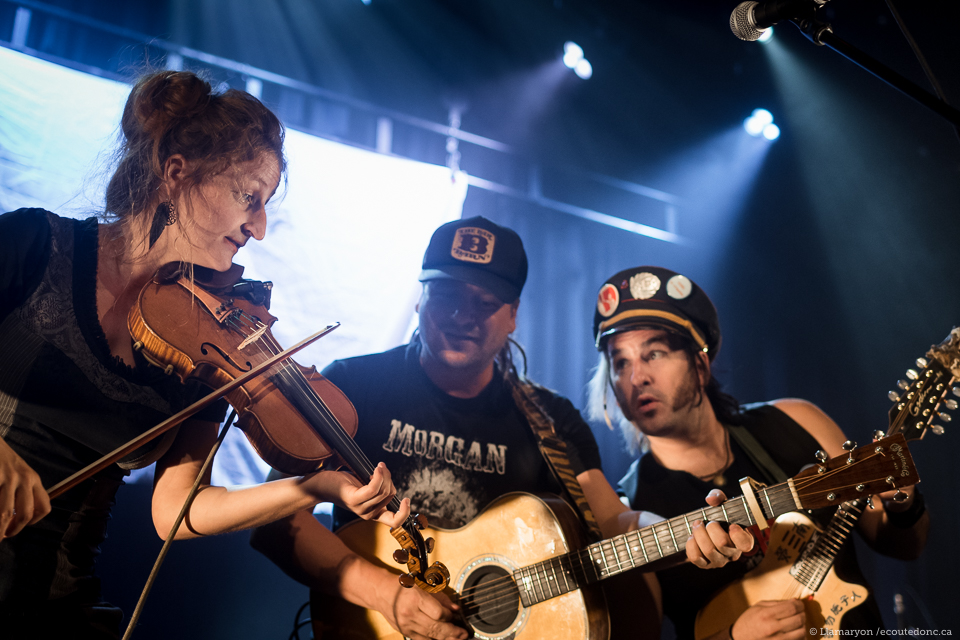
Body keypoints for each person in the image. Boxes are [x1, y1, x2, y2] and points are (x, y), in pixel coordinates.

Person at [0, 70, 405, 639]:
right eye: (249, 198)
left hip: (51, 611)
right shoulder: (34, 245)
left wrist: (317, 487)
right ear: (176, 174)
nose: (258, 229)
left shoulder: (200, 349)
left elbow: (176, 511)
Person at [251, 216, 669, 640]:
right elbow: (274, 521)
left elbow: (611, 522)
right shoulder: (350, 387)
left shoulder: (553, 420)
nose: (460, 315)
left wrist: (686, 533)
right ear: (420, 297)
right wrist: (383, 594)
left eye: (483, 302)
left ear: (512, 316)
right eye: (446, 294)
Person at [586, 266, 930, 640]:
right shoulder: (628, 512)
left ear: (700, 364)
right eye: (620, 363)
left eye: (654, 353)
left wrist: (901, 505)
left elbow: (903, 545)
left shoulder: (796, 421)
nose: (637, 378)